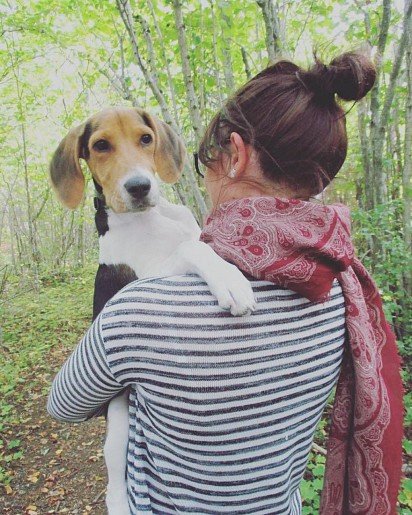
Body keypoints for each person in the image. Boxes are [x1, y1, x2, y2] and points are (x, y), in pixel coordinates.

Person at [48, 51, 403, 514]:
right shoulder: (344, 290)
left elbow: (65, 405)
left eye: (203, 161)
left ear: (234, 157)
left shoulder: (138, 312)